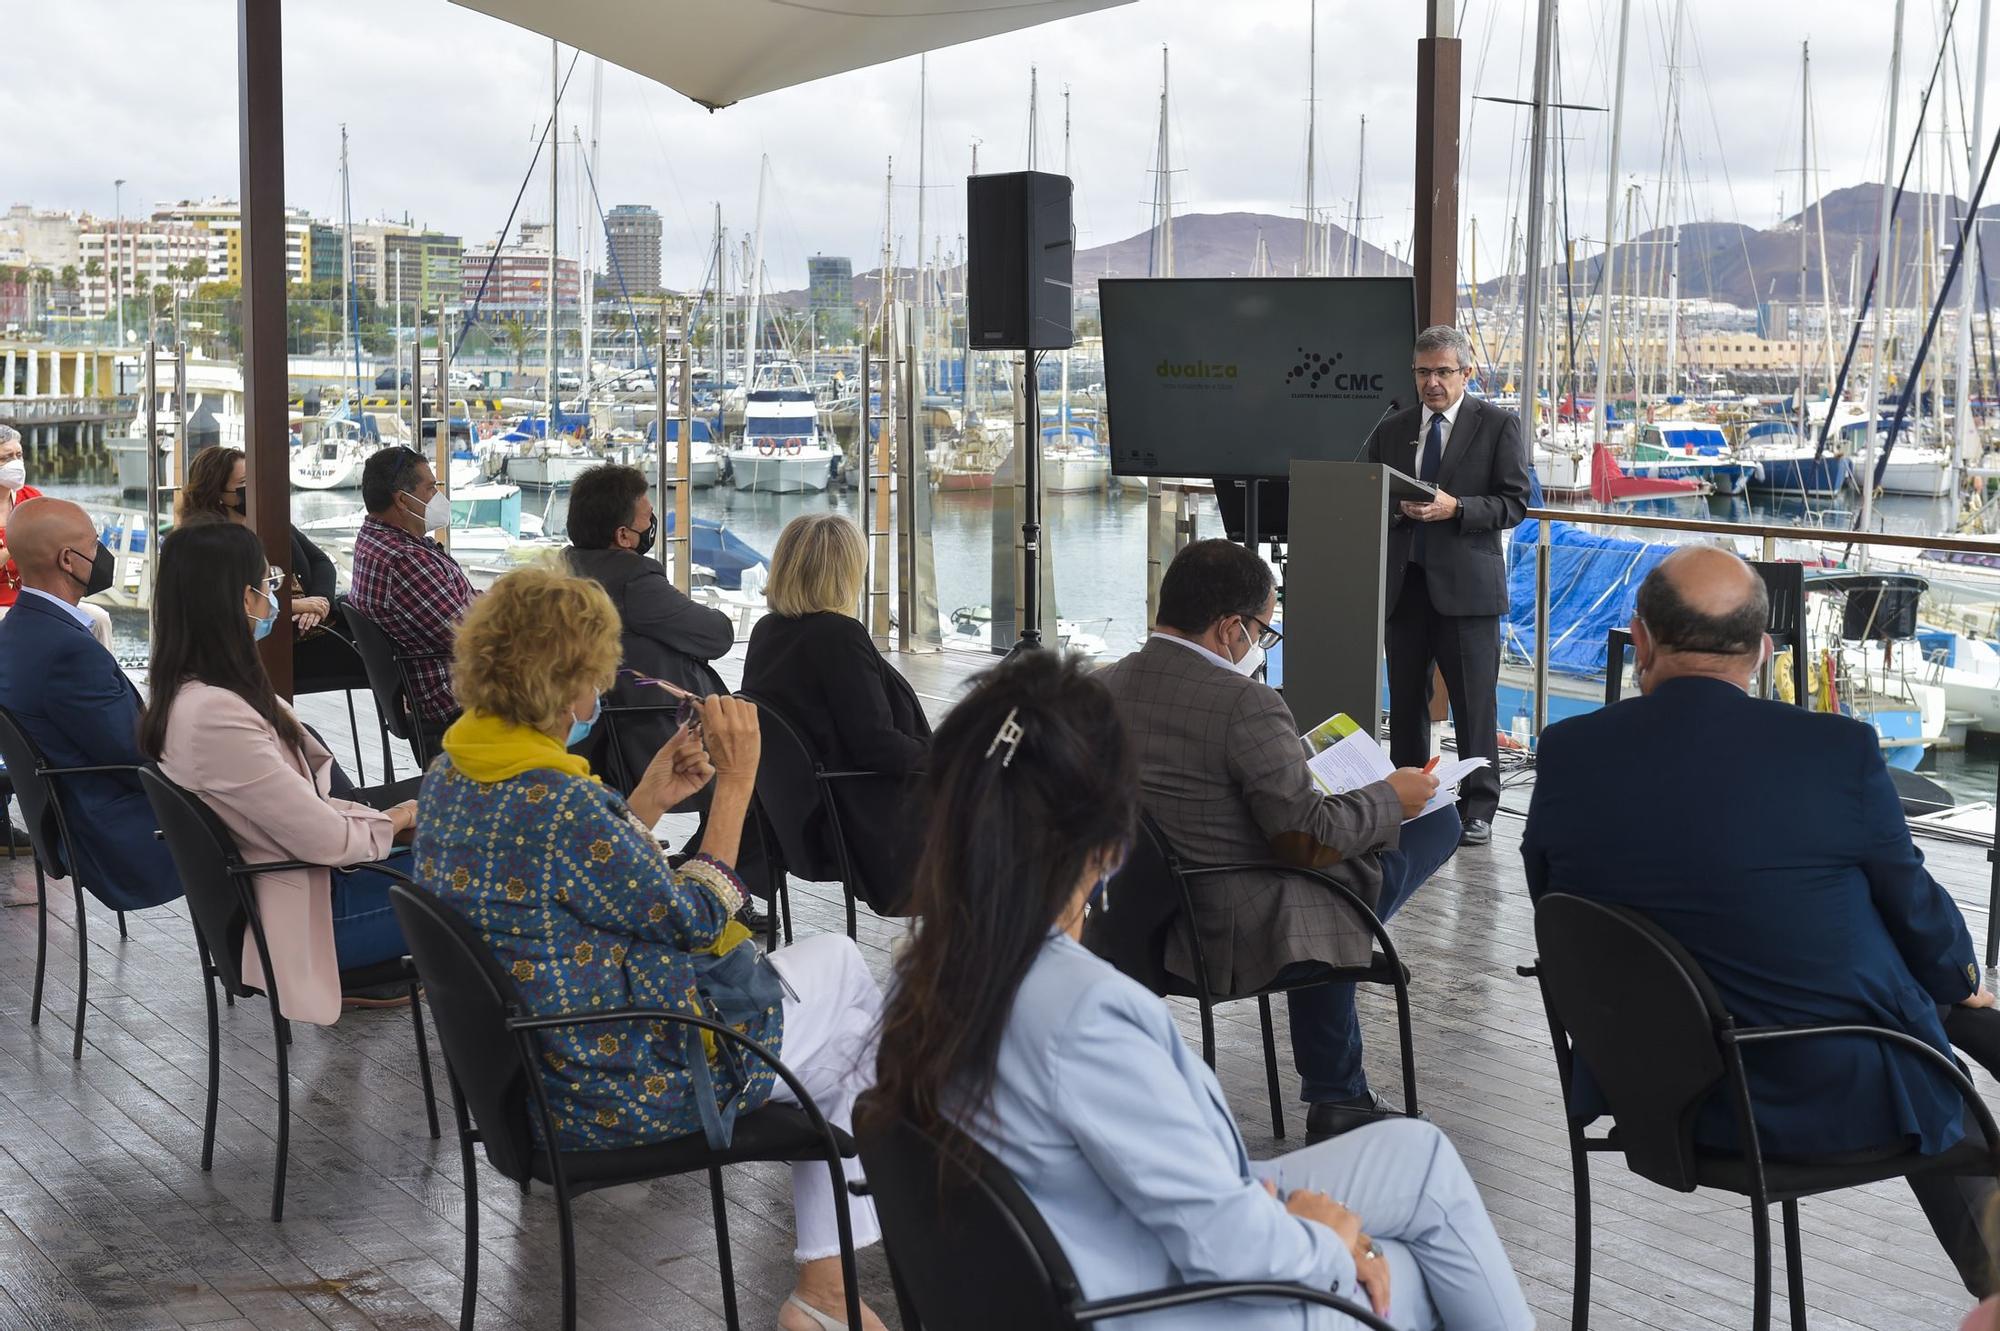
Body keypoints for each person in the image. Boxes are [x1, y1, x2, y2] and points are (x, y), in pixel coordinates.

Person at [866, 650, 1533, 1331]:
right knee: (1407, 1268)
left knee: (1419, 1159)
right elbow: (1223, 1243)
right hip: (1164, 1302)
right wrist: (1323, 1243)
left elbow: (1151, 1180)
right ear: (1108, 844)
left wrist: (1283, 1208)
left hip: (1112, 1255)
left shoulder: (922, 977)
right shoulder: (1085, 1012)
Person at [414, 566, 887, 1331]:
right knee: (848, 992)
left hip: (529, 1082)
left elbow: (557, 887)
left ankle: (831, 1291)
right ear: (572, 688)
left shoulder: (452, 772)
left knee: (845, 1034)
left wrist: (646, 800)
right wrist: (736, 785)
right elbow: (698, 916)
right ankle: (839, 1282)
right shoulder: (561, 802)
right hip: (614, 1087)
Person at [1522, 544, 2000, 1296]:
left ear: (1641, 637)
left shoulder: (1570, 751)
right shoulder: (1834, 751)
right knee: (1953, 1080)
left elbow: (1551, 902)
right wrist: (1959, 981)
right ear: (1765, 651)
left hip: (1655, 1095)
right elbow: (1916, 909)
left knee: (1913, 993)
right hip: (1816, 1095)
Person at [1098, 539, 1459, 1141]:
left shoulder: (1104, 684)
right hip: (1229, 930)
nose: (1260, 646)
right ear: (1230, 628)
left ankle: (1339, 1089)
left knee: (1344, 872)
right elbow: (1303, 837)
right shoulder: (1245, 702)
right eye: (1264, 631)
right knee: (1429, 824)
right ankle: (1337, 1091)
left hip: (1136, 918)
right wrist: (1393, 798)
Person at [140, 522, 418, 1021]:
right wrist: (397, 819)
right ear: (244, 597)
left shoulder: (192, 694)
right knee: (497, 870)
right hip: (315, 918)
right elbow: (327, 839)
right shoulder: (214, 714)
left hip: (301, 895)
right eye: (269, 581)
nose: (275, 593)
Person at [1362, 325, 1530, 847]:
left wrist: (1455, 508)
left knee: (1473, 704)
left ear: (1465, 373)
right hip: (1404, 586)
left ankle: (1478, 808)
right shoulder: (1391, 429)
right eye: (1423, 372)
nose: (1432, 382)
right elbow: (1368, 492)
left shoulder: (1498, 424)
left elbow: (1514, 503)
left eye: (1443, 371)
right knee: (1406, 701)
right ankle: (1409, 800)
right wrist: (1395, 510)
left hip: (1467, 592)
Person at [0, 498, 180, 910]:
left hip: (71, 823)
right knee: (269, 810)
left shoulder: (16, 632)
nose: (102, 555)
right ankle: (267, 957)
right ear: (68, 559)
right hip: (120, 837)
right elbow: (136, 755)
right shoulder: (67, 652)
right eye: (96, 544)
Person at [741, 513, 927, 910]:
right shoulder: (839, 637)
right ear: (844, 573)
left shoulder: (767, 632)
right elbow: (875, 745)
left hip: (800, 823)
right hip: (864, 824)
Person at [562, 462, 733, 791]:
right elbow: (716, 636)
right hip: (654, 728)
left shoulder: (565, 569)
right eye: (647, 516)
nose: (652, 522)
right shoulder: (633, 580)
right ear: (623, 535)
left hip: (594, 733)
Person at [175, 444, 352, 688]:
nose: (255, 489)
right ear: (217, 493)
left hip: (317, 625)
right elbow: (226, 606)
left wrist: (319, 602)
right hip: (275, 644)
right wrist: (295, 606)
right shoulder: (209, 544)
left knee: (374, 641)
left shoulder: (272, 521)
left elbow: (321, 562)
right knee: (377, 657)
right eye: (245, 483)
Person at [346, 445, 474, 738]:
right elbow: (472, 635)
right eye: (430, 489)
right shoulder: (403, 560)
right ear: (403, 500)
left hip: (438, 684)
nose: (438, 498)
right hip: (453, 696)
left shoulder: (377, 538)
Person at [0, 424, 112, 649]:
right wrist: (20, 540)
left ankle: (107, 679)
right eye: (6, 457)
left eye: (19, 455)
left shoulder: (31, 498)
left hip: (38, 598)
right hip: (3, 605)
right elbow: (33, 539)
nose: (16, 462)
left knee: (98, 619)